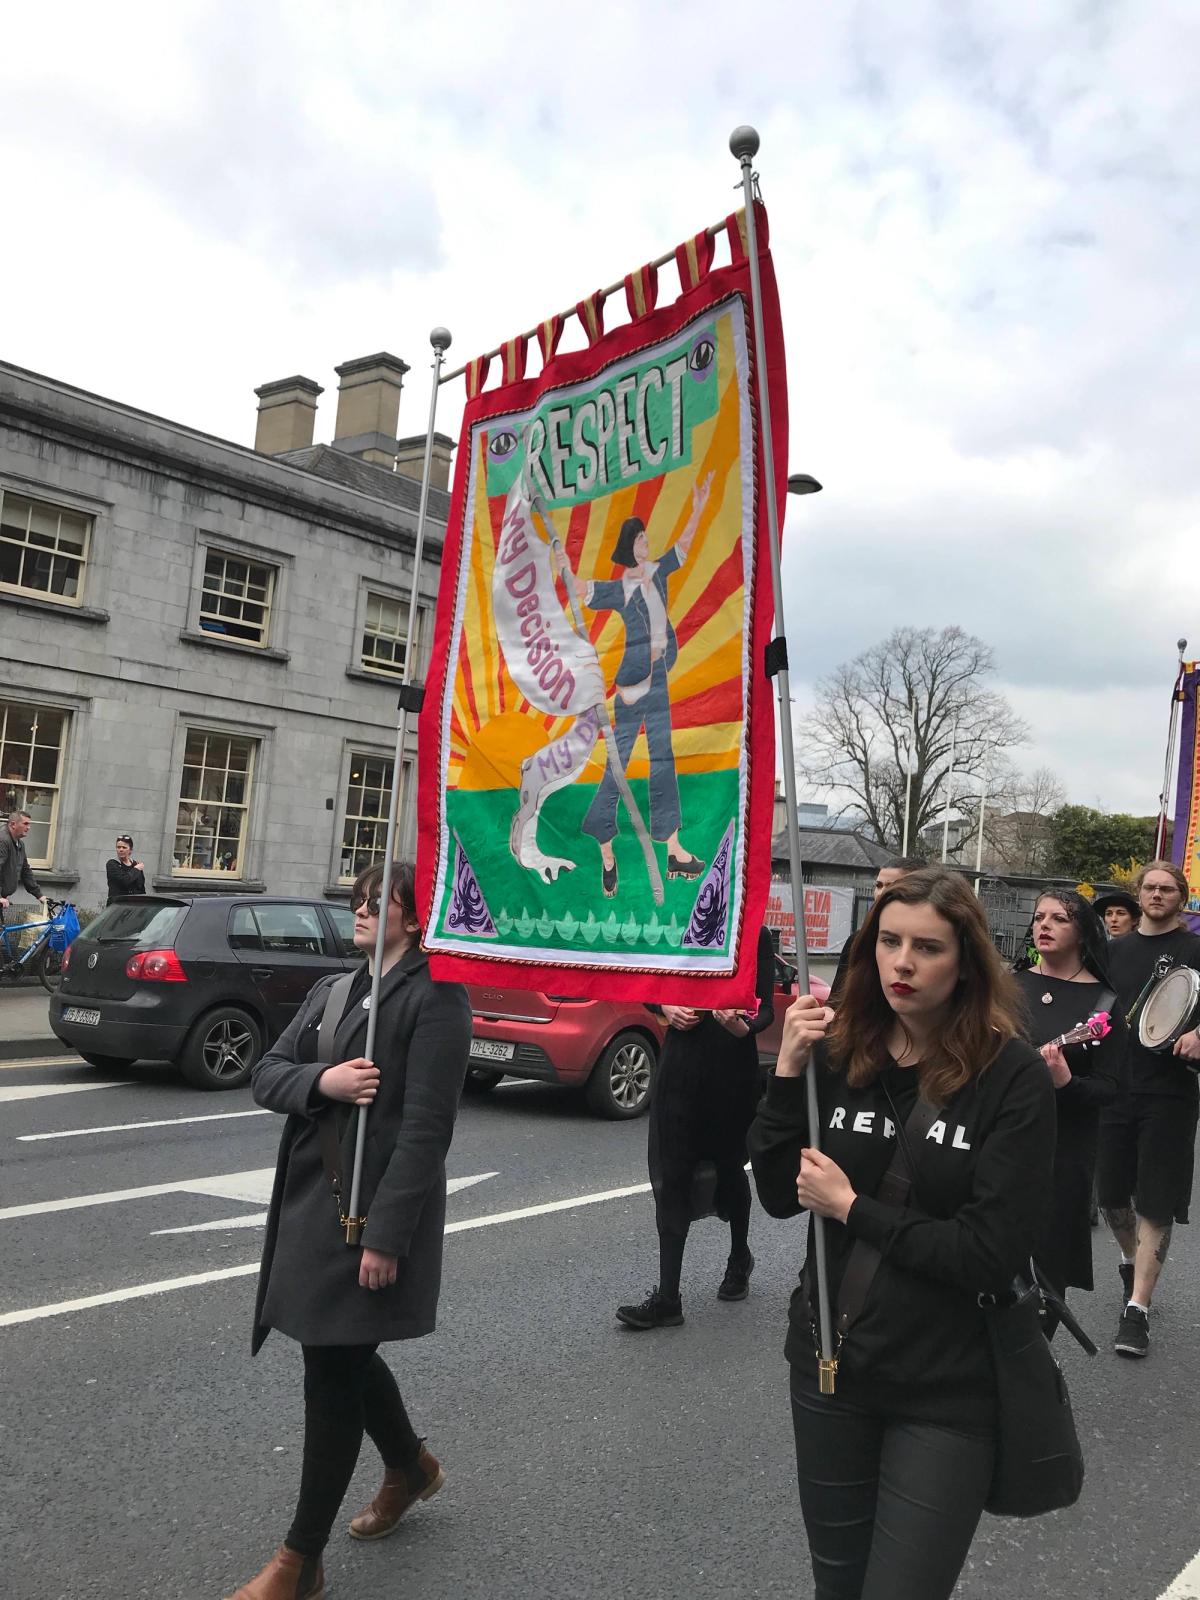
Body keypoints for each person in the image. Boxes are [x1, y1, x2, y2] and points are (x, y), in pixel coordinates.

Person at [749, 867, 1055, 1600]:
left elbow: (988, 1254)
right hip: (830, 1368)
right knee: (837, 1587)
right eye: (889, 942)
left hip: (946, 1390)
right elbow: (778, 1195)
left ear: (967, 961)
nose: (903, 963)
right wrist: (787, 1072)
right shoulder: (838, 1050)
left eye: (928, 947)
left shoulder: (1012, 1077)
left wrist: (854, 1208)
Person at [225, 861, 472, 1600]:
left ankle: (300, 1561)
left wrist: (387, 1237)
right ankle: (411, 1466)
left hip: (372, 1212)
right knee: (337, 1350)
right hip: (314, 1203)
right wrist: (323, 1082)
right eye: (357, 898)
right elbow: (267, 1073)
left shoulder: (438, 997)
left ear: (415, 917)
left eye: (377, 900)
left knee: (332, 1369)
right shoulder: (335, 989)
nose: (359, 909)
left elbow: (427, 1129)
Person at [557, 474, 713, 896]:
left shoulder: (657, 572)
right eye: (641, 538)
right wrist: (564, 567)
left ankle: (673, 848)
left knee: (663, 755)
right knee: (620, 758)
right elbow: (581, 589)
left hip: (659, 675)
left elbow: (682, 547)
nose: (647, 542)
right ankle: (604, 842)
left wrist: (699, 507)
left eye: (646, 537)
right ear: (631, 546)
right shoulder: (621, 588)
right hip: (633, 681)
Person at [616, 923, 775, 1329]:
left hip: (731, 1073)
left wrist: (744, 1025)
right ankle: (668, 1299)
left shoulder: (754, 935)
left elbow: (766, 1009)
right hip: (680, 1071)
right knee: (673, 1174)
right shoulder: (678, 924)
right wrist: (665, 1006)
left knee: (729, 1168)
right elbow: (649, 980)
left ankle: (739, 1258)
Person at [1097, 859, 1200, 1359]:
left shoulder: (1195, 949)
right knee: (1111, 1197)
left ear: (1181, 897)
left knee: (1156, 1202)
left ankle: (1137, 1308)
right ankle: (1129, 1259)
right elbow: (1094, 1010)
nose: (1157, 895)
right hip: (1114, 1089)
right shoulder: (1111, 951)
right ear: (1139, 894)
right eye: (1150, 888)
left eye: (1167, 888)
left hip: (1171, 1094)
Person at [1012, 889, 1126, 1333]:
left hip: (1062, 1150)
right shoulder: (1010, 986)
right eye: (1039, 917)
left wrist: (1066, 1082)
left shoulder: (1105, 1005)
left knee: (1045, 1271)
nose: (1044, 925)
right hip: (1000, 1138)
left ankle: (1034, 1361)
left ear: (1082, 932)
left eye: (1059, 918)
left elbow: (1110, 1090)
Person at [828, 855, 925, 1005]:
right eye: (878, 885)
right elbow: (836, 1001)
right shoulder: (858, 941)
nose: (881, 893)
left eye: (892, 886)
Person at [0, 810, 45, 923]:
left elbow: (25, 871)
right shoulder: (3, 841)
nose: (28, 827)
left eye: (29, 824)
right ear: (13, 824)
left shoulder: (19, 844)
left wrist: (39, 895)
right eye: (25, 824)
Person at [105, 835, 146, 904]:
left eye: (124, 847)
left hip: (135, 906)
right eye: (118, 847)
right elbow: (124, 881)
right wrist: (136, 869)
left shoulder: (136, 865)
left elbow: (141, 888)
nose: (121, 850)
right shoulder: (112, 864)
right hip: (117, 905)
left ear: (130, 850)